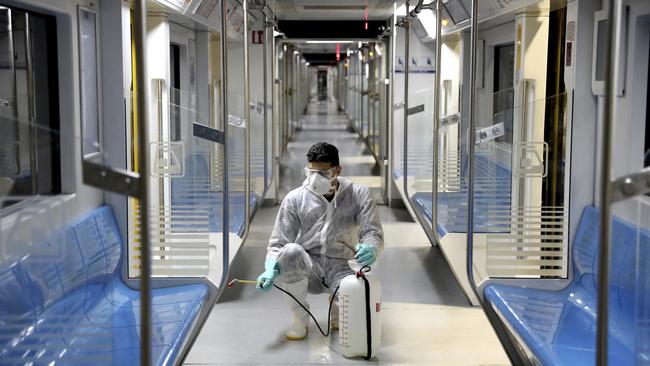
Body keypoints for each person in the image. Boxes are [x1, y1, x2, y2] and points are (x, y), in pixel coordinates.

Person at [255, 142, 384, 340]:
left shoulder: (358, 194)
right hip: (310, 266)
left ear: (337, 170)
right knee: (290, 252)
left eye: (323, 173)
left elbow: (372, 231)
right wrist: (271, 267)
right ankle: (300, 319)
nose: (315, 179)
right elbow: (278, 243)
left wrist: (371, 248)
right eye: (311, 172)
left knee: (347, 321)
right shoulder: (295, 198)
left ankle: (337, 309)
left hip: (343, 267)